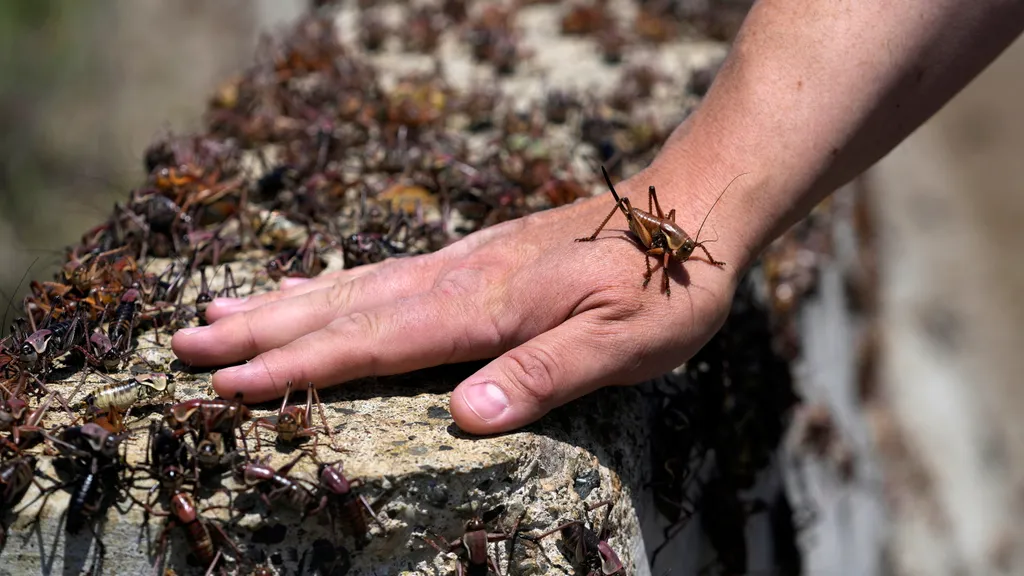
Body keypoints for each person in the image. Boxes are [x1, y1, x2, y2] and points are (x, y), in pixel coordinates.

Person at [171, 1, 1024, 435]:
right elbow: (655, 231)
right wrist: (684, 193)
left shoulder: (679, 255)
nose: (679, 255)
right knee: (629, 214)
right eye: (681, 251)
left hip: (664, 220)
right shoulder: (654, 239)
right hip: (637, 213)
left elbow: (683, 247)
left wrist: (701, 212)